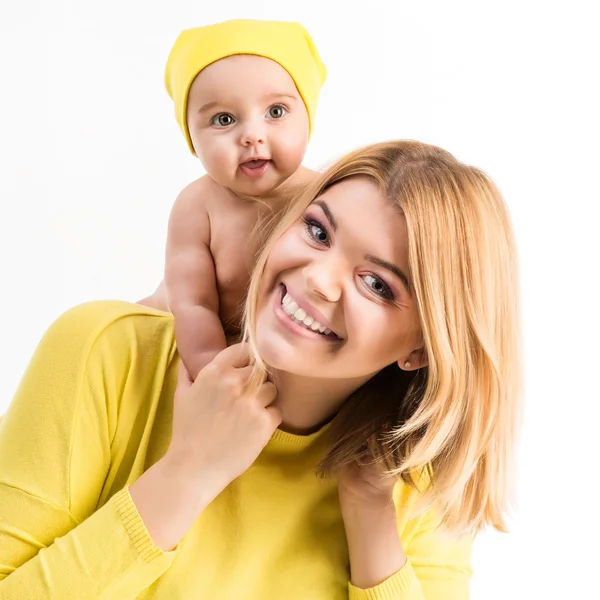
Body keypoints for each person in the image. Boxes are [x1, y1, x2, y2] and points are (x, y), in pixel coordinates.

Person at [0, 140, 521, 599]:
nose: (319, 280)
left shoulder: (418, 480)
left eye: (377, 284)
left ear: (423, 349)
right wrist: (188, 474)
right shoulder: (110, 356)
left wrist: (373, 527)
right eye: (317, 231)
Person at [138, 19, 327, 381]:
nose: (252, 136)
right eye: (224, 119)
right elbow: (194, 305)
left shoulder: (326, 196)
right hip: (190, 333)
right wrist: (213, 370)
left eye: (276, 112)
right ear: (191, 138)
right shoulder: (197, 207)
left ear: (308, 117)